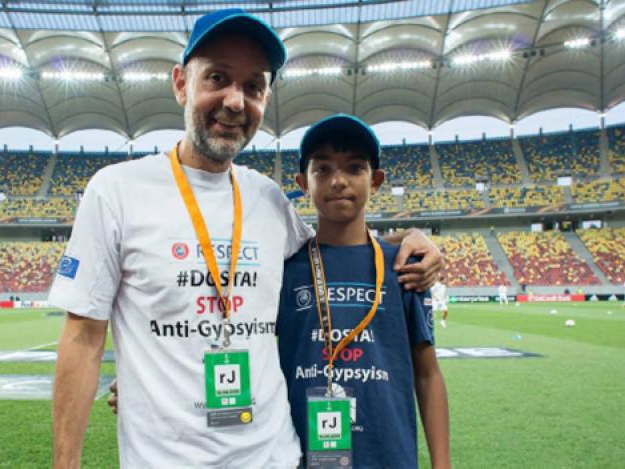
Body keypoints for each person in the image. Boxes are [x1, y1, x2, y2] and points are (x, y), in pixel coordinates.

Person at [51, 9, 445, 468]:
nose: (236, 101)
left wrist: (415, 238)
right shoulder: (117, 190)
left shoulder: (267, 199)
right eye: (217, 77)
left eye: (253, 86)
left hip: (274, 456)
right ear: (181, 83)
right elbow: (81, 339)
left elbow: (338, 243)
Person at [277, 115, 450, 468]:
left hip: (389, 457)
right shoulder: (284, 271)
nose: (338, 181)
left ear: (376, 181)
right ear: (302, 183)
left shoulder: (404, 267)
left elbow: (428, 374)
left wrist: (442, 464)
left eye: (354, 168)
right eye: (322, 170)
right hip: (300, 457)